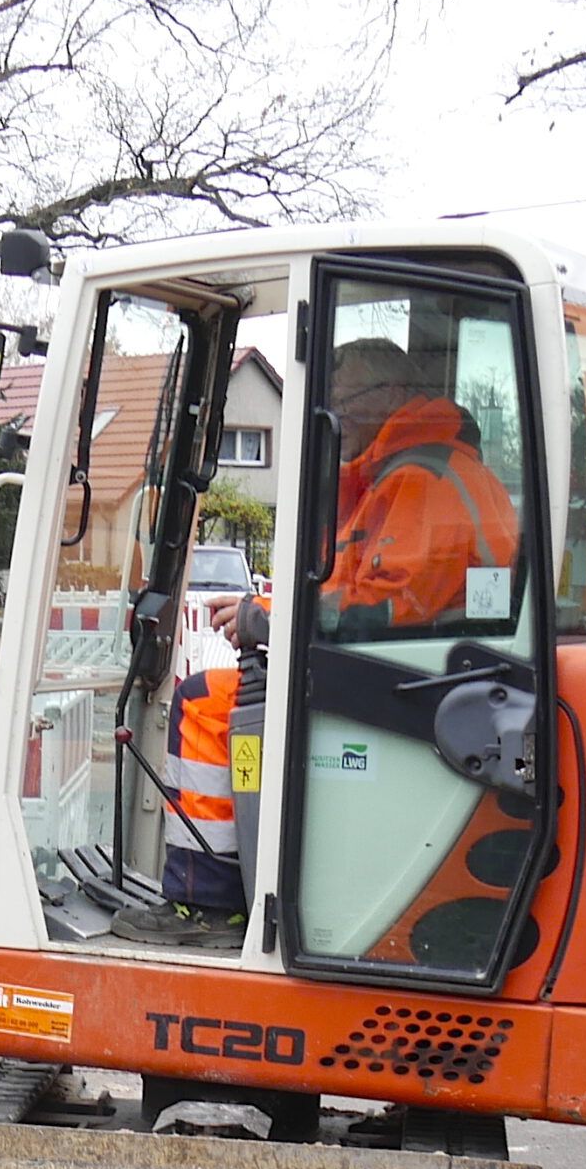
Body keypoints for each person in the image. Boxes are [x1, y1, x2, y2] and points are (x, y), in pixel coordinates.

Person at [111, 338, 519, 948]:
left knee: (204, 702)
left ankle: (208, 893)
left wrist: (266, 620)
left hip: (397, 690)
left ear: (384, 401)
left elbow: (383, 609)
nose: (337, 417)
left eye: (342, 402)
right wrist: (272, 612)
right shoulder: (432, 471)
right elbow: (360, 590)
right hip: (419, 678)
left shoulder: (420, 483)